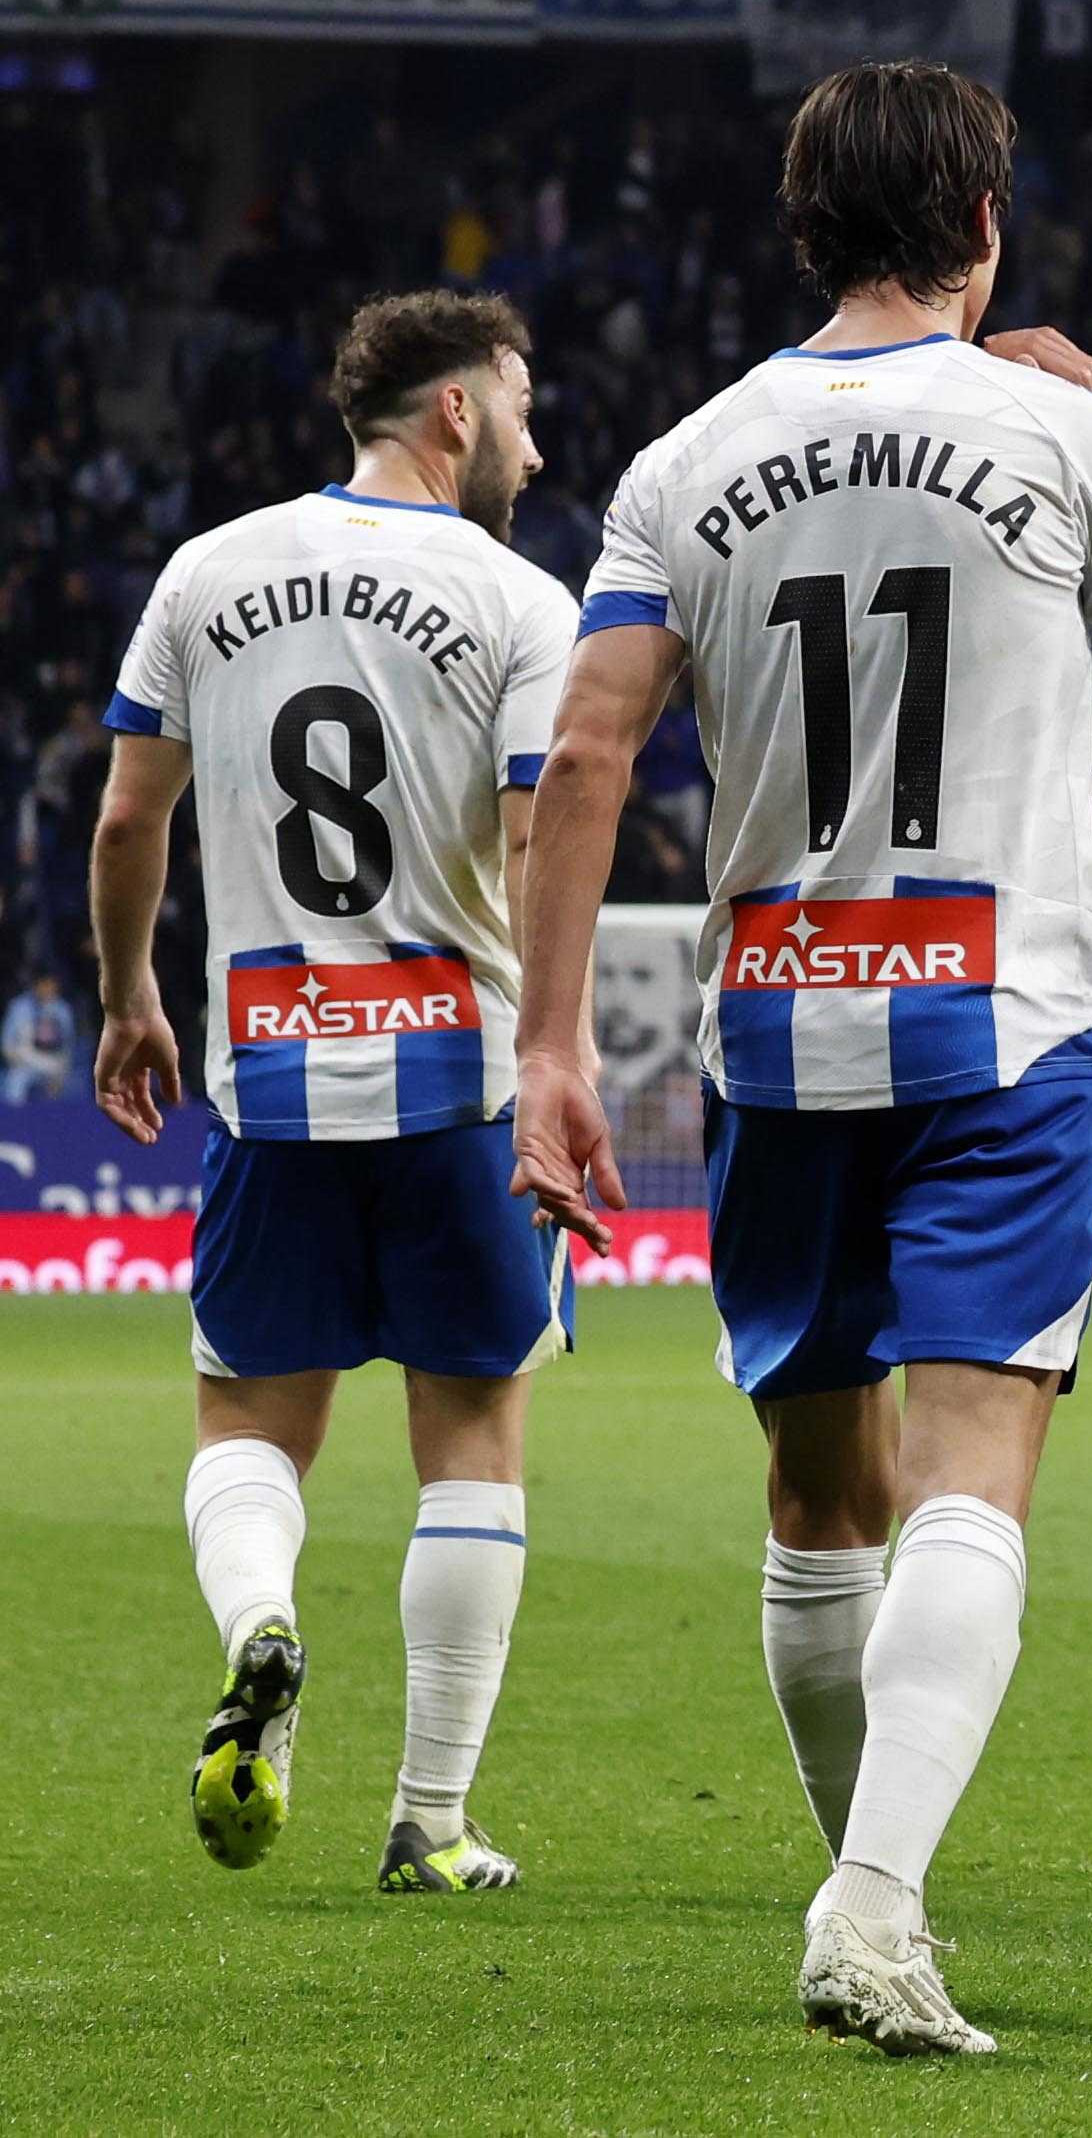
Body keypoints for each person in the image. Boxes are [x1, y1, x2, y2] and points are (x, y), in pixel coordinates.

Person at [507, 61, 1092, 2055]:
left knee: (818, 1487)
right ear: (984, 224)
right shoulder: (1059, 430)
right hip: (997, 1020)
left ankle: (868, 1882)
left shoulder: (685, 461)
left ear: (802, 228)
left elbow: (584, 749)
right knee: (973, 1463)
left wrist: (551, 1041)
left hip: (775, 1019)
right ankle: (874, 1899)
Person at [88, 290, 579, 1895]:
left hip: (270, 1070)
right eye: (522, 409)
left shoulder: (204, 572)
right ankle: (430, 1818)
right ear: (457, 412)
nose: (535, 447)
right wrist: (554, 1051)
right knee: (473, 1433)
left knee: (249, 1421)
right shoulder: (517, 599)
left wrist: (130, 996)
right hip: (456, 1075)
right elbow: (535, 837)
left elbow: (127, 820)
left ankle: (262, 1625)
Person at [3, 967, 77, 1100]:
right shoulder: (19, 1007)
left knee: (70, 1086)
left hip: (53, 1064)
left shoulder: (63, 1010)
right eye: (44, 985)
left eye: (51, 985)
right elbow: (6, 1044)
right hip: (24, 1064)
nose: (47, 989)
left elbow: (68, 1045)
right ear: (35, 986)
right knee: (15, 1084)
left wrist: (62, 1069)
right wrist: (17, 1060)